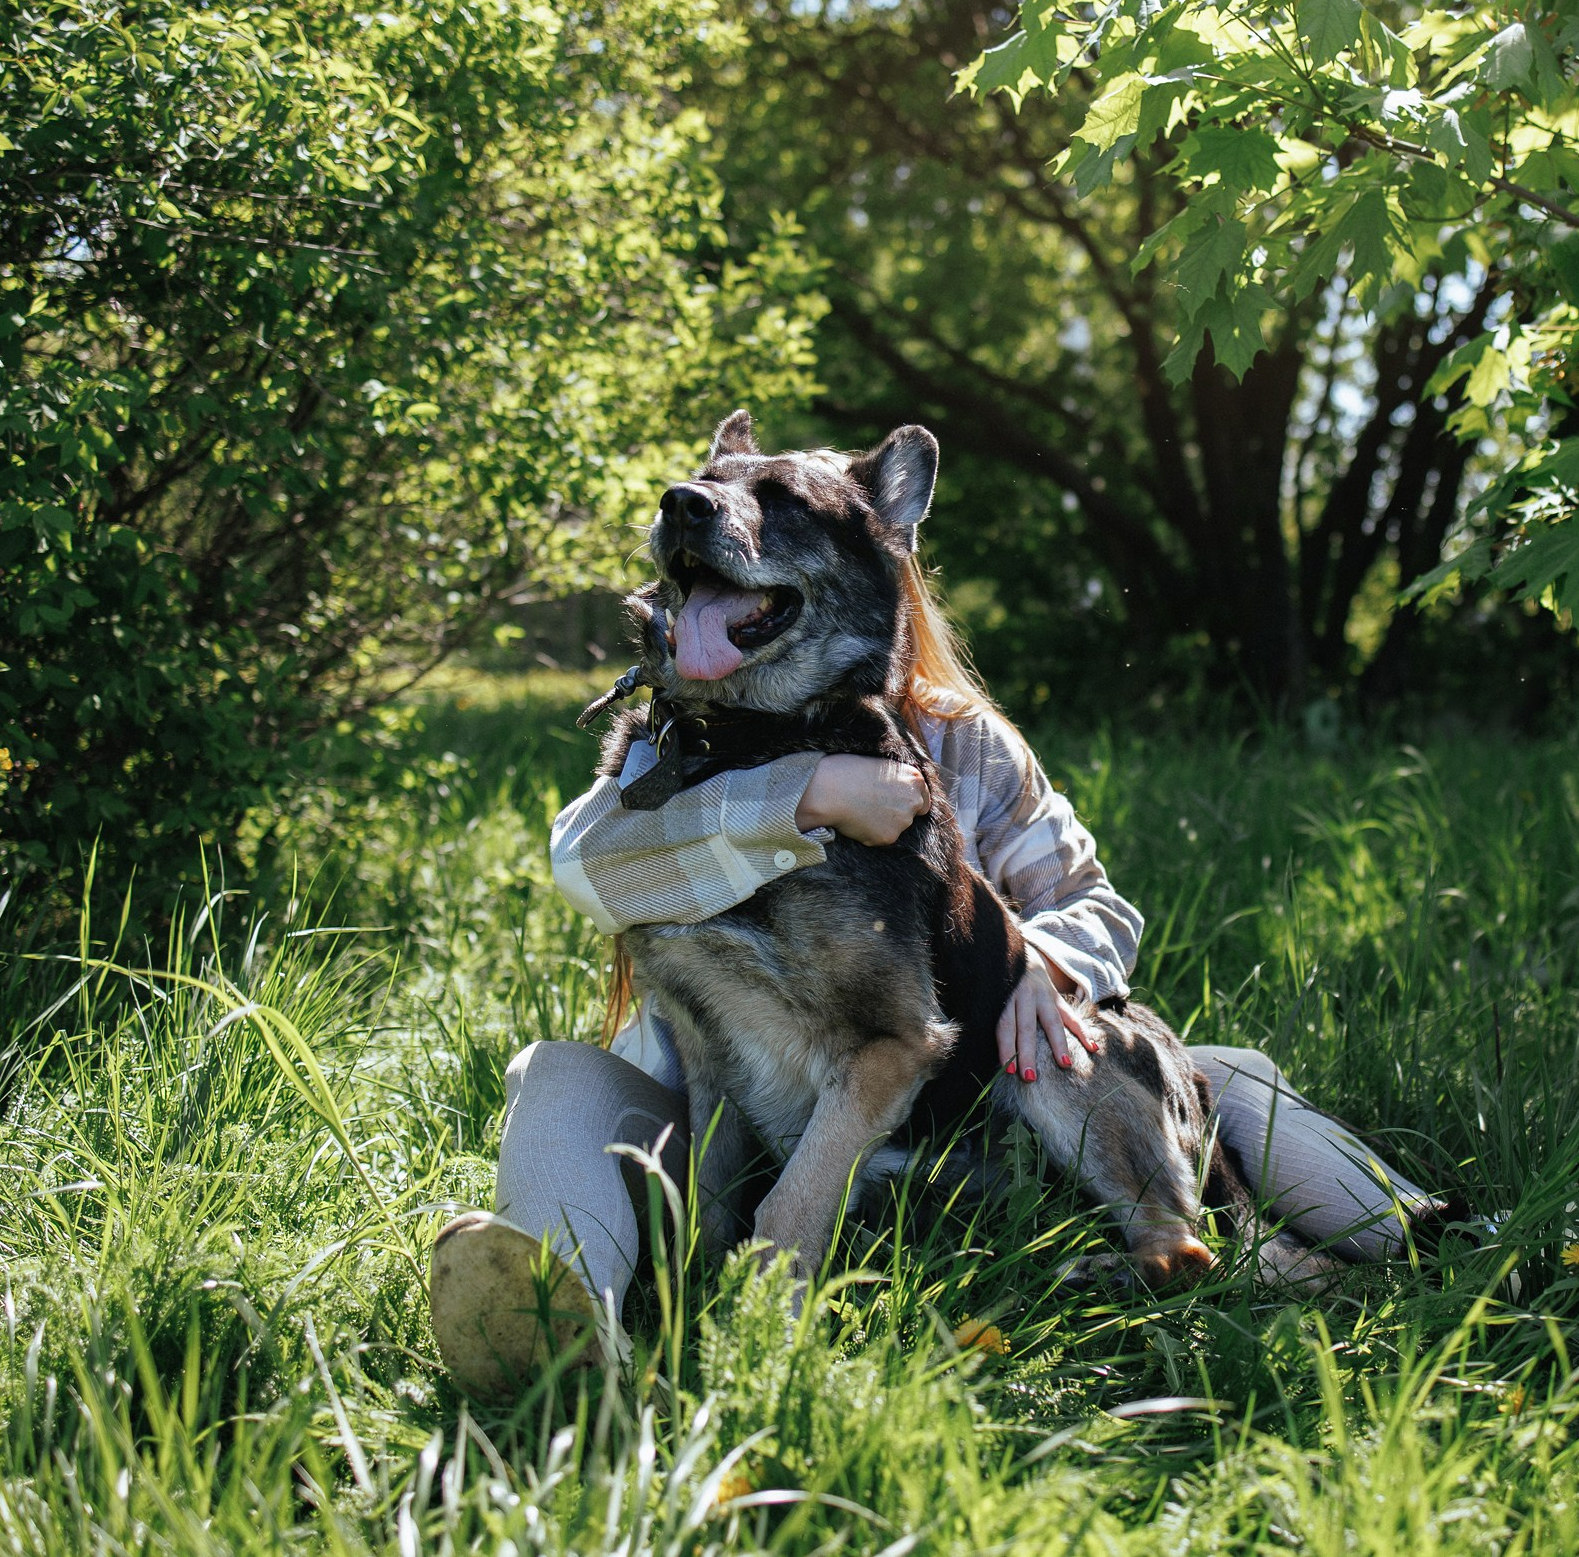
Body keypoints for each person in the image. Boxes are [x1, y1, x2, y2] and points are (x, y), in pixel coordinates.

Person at [427, 560, 1457, 1398]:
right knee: (557, 1074)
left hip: (965, 1099)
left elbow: (1097, 901)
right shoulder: (673, 738)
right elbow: (584, 861)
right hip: (720, 1118)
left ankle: (1439, 1237)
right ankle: (558, 1327)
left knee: (1214, 1067)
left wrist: (1041, 967)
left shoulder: (958, 739)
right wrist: (813, 792)